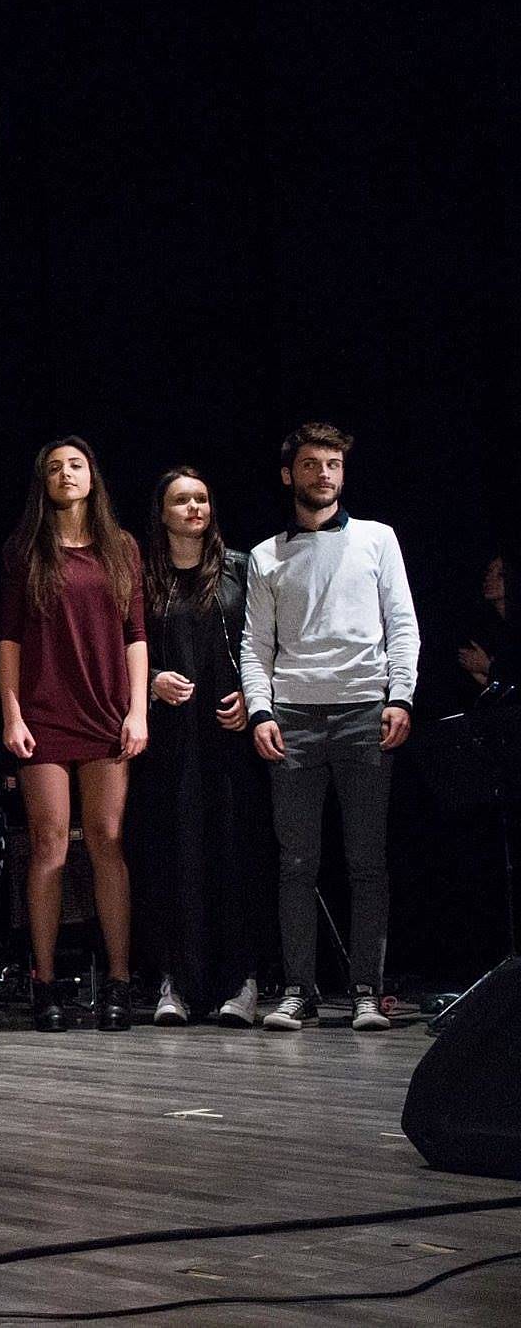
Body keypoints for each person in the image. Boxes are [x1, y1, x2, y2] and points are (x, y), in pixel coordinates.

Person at [241, 423, 419, 1033]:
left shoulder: (377, 538)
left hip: (365, 711)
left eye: (334, 464)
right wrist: (261, 711)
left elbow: (402, 624)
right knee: (296, 863)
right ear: (288, 474)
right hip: (293, 717)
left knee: (367, 860)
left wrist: (401, 696)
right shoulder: (267, 554)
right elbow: (255, 645)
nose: (324, 474)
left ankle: (367, 990)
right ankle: (299, 989)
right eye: (312, 464)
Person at [0, 436, 148, 1032]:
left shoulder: (121, 547)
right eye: (55, 467)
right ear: (44, 481)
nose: (66, 474)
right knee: (49, 843)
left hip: (106, 711)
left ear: (92, 477)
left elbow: (136, 635)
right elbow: (9, 641)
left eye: (76, 465)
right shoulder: (25, 550)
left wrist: (138, 711)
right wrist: (12, 714)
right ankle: (45, 983)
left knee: (108, 839)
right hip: (44, 712)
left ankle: (118, 981)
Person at [131, 468, 268, 1028]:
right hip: (170, 736)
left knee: (234, 852)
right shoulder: (143, 575)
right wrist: (153, 680)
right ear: (161, 513)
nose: (194, 508)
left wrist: (256, 697)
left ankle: (242, 981)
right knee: (175, 852)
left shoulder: (240, 567)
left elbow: (266, 641)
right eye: (181, 500)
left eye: (202, 499)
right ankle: (176, 981)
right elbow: (123, 647)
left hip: (228, 731)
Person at [460, 555, 508, 694]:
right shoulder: (486, 627)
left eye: (501, 574)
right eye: (488, 572)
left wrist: (488, 667)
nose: (489, 578)